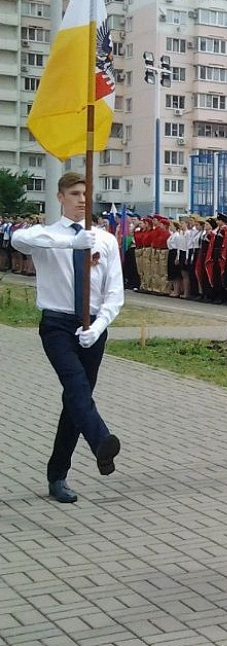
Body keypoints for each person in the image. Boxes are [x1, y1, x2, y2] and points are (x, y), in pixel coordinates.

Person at [12, 172, 124, 504]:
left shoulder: (105, 240)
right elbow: (20, 241)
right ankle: (101, 440)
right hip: (57, 326)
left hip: (92, 328)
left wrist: (99, 326)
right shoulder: (45, 235)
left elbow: (114, 294)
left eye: (86, 194)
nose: (82, 199)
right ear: (60, 197)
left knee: (74, 403)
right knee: (76, 388)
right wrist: (69, 243)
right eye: (75, 193)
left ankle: (57, 474)